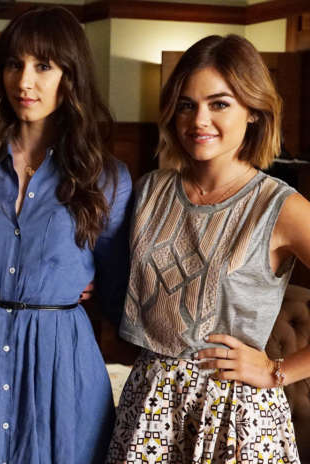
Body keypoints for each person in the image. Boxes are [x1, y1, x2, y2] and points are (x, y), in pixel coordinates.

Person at [0, 7, 132, 463]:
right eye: (13, 64)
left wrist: (63, 282)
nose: (24, 81)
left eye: (43, 66)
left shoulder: (106, 177)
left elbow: (116, 287)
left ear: (70, 75)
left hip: (61, 362)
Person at [108, 34, 310, 463]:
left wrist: (277, 371)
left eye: (219, 104)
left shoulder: (280, 207)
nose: (199, 120)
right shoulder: (149, 190)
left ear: (253, 111)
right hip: (149, 403)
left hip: (235, 415)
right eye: (187, 104)